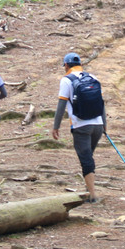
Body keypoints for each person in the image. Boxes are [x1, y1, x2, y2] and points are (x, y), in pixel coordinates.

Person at [51, 52, 106, 202]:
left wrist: (56, 127)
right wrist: (104, 125)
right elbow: (101, 104)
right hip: (97, 125)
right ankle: (89, 190)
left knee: (86, 159)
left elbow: (61, 105)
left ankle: (93, 196)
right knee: (88, 156)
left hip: (80, 126)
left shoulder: (66, 80)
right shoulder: (93, 78)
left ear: (66, 65)